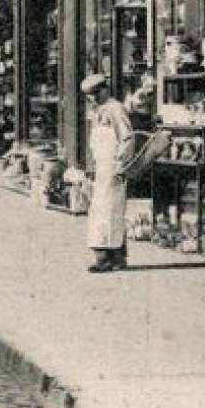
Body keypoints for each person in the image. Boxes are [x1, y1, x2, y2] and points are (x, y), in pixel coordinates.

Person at [83, 73, 135, 273]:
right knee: (100, 212)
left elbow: (127, 138)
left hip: (114, 167)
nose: (94, 98)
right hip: (101, 167)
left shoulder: (115, 109)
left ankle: (110, 258)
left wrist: (121, 165)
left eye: (97, 93)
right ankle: (109, 257)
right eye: (90, 96)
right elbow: (96, 142)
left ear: (105, 89)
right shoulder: (97, 112)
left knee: (111, 212)